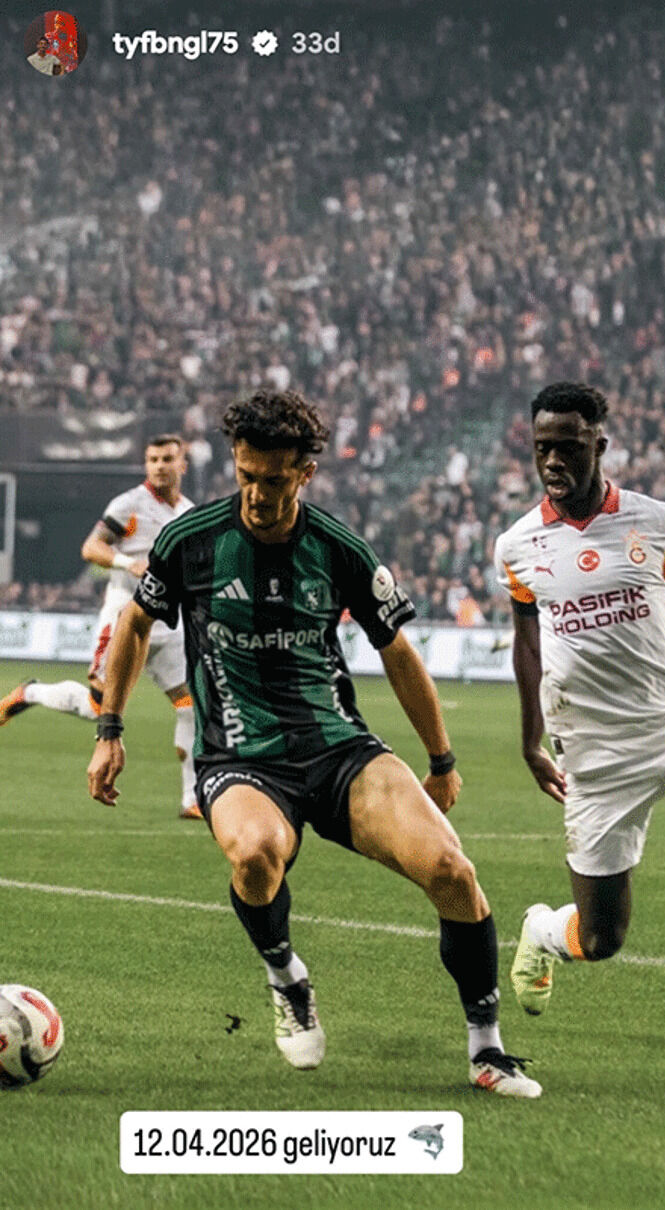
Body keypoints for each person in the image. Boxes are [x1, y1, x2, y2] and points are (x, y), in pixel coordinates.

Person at [87, 388, 541, 1098]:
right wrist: (109, 730)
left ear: (305, 473)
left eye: (274, 480)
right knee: (254, 855)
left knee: (452, 870)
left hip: (338, 749)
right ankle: (286, 978)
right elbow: (135, 626)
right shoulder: (191, 541)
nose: (257, 495)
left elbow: (398, 652)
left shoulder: (339, 548)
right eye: (246, 476)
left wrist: (441, 758)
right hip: (239, 755)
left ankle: (487, 1048)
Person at [493, 381, 665, 1022]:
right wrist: (530, 741)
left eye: (568, 447)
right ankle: (542, 931)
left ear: (599, 445)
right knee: (601, 938)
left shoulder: (658, 522)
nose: (553, 461)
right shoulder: (518, 545)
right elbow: (527, 644)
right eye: (542, 448)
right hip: (595, 753)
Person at [0, 435, 201, 820]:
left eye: (167, 459)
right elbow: (91, 547)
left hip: (169, 623)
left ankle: (192, 799)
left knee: (190, 703)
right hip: (125, 617)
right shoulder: (129, 504)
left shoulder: (189, 512)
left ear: (183, 465)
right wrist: (128, 563)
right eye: (153, 459)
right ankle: (30, 692)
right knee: (98, 708)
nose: (159, 466)